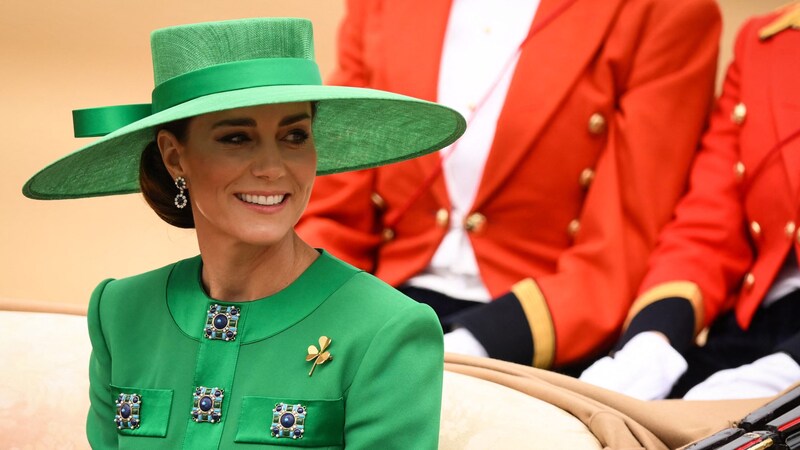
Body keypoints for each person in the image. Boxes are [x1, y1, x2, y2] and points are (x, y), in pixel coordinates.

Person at [22, 18, 466, 448]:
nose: (273, 168)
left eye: (294, 135)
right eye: (237, 138)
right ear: (175, 157)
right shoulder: (120, 313)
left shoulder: (387, 330)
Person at [297, 0, 722, 370]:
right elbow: (335, 202)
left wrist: (469, 346)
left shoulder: (664, 12)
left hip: (529, 334)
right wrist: (305, 308)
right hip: (376, 308)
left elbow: (618, 250)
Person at [580, 3, 800, 400]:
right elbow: (709, 225)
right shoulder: (767, 41)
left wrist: (791, 366)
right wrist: (652, 340)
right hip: (752, 330)